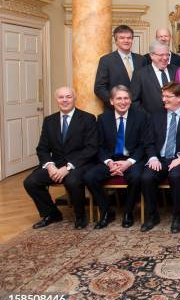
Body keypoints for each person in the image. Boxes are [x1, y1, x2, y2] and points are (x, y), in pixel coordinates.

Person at [23, 87, 97, 230]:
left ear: (74, 98)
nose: (64, 100)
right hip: (56, 165)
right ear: (56, 100)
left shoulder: (88, 118)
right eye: (61, 97)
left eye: (68, 97)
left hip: (80, 164)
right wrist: (50, 166)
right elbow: (42, 148)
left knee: (73, 181)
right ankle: (52, 213)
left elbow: (91, 148)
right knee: (31, 182)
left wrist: (68, 167)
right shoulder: (49, 121)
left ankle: (80, 216)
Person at [83, 85, 148, 229]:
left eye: (126, 98)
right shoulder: (102, 119)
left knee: (137, 177)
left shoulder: (141, 117)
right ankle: (107, 211)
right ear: (111, 101)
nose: (123, 102)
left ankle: (128, 212)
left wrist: (128, 163)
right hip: (111, 160)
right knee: (89, 177)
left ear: (130, 101)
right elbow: (99, 145)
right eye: (119, 98)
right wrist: (110, 162)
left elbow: (144, 145)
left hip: (132, 160)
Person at [140, 82, 180, 233]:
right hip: (160, 159)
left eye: (167, 96)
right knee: (146, 177)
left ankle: (177, 216)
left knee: (176, 176)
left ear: (179, 98)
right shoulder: (155, 116)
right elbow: (149, 141)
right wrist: (152, 158)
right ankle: (152, 216)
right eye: (163, 96)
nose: (163, 99)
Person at [94, 25, 145, 109]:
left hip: (138, 110)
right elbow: (99, 88)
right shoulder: (106, 60)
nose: (126, 40)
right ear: (116, 41)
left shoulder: (141, 60)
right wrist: (115, 101)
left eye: (129, 38)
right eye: (122, 38)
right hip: (114, 110)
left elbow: (145, 85)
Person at [130, 40, 178, 114]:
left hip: (174, 120)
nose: (165, 58)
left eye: (167, 54)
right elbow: (134, 101)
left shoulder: (176, 70)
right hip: (150, 122)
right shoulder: (140, 74)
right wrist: (146, 118)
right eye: (161, 55)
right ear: (151, 55)